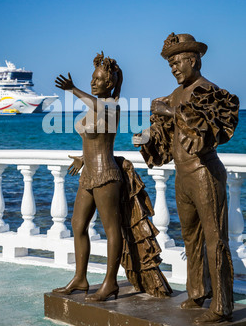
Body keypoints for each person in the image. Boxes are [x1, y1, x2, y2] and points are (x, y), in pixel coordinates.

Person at [133, 33, 239, 324]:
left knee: (215, 239)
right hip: (182, 175)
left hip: (204, 173)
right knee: (190, 237)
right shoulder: (174, 94)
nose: (174, 69)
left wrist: (169, 110)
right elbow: (166, 139)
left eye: (178, 62)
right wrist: (145, 138)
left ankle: (222, 305)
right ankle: (197, 292)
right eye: (170, 64)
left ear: (193, 60)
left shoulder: (210, 92)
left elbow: (206, 129)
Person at [53, 51, 172, 302]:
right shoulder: (96, 107)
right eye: (92, 78)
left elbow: (103, 124)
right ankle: (80, 278)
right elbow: (96, 139)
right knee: (77, 225)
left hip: (107, 174)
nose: (93, 82)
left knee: (111, 230)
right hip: (88, 174)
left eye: (98, 80)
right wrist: (83, 158)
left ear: (109, 84)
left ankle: (110, 284)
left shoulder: (112, 107)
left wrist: (73, 90)